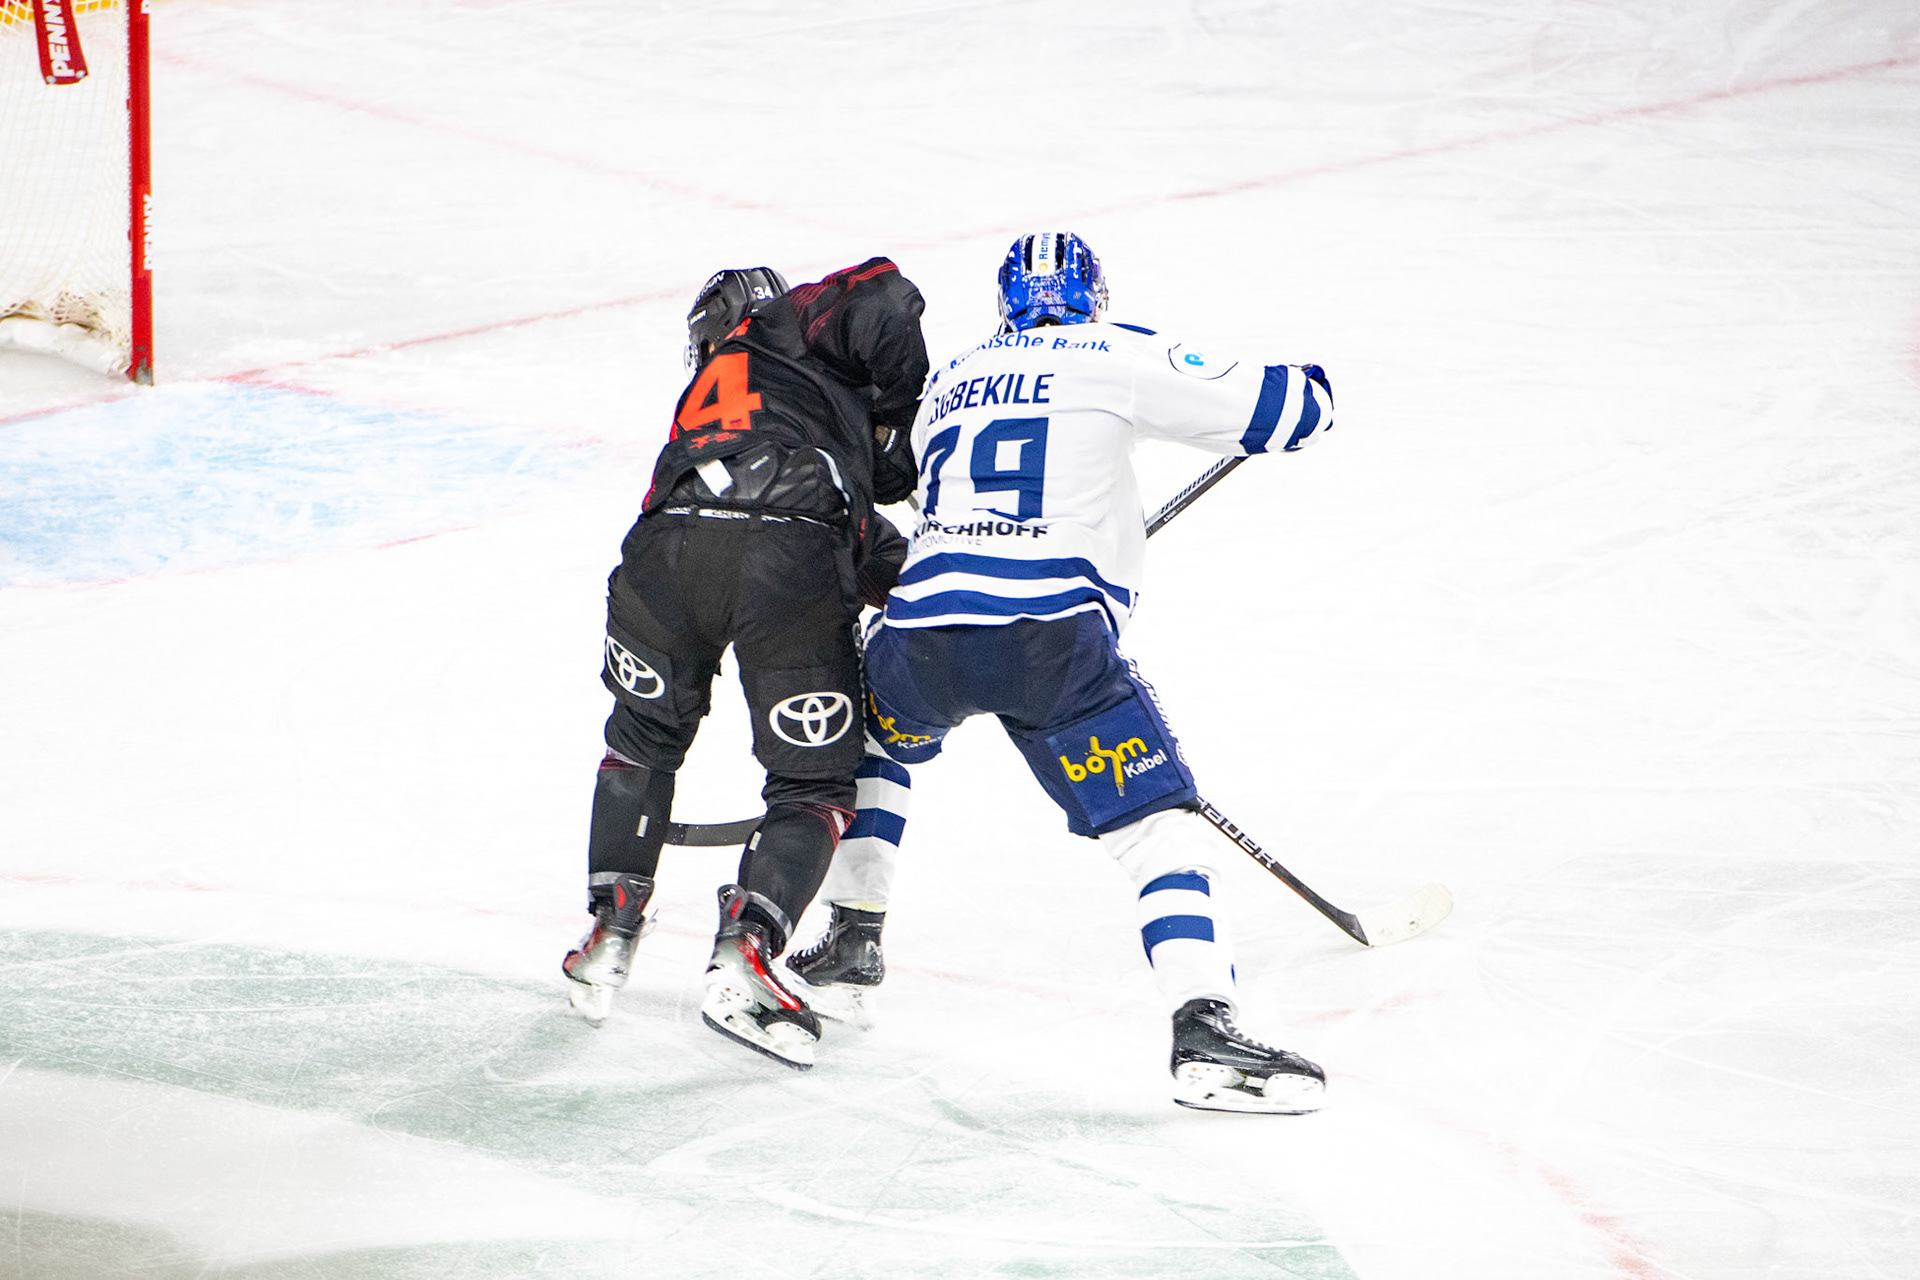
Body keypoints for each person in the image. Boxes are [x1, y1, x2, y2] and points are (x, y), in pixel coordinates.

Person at [824, 230, 1336, 1113]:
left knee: (881, 749)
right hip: (1048, 644)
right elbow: (1291, 414)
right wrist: (1312, 382)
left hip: (917, 633)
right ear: (1093, 295)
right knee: (1148, 826)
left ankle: (849, 938)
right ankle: (1203, 1026)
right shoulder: (1113, 349)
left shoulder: (952, 379)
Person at [561, 259, 927, 1071]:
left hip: (664, 556)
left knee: (641, 742)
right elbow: (882, 297)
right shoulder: (795, 322)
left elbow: (852, 524)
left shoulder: (726, 393)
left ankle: (610, 926)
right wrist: (894, 418)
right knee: (814, 785)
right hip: (783, 553)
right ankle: (750, 951)